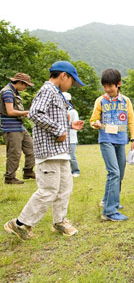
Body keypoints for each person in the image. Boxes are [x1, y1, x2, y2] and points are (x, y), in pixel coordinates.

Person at [3, 61, 85, 240]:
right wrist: (58, 129)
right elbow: (35, 113)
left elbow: (49, 117)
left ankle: (60, 222)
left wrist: (69, 125)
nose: (71, 85)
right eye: (72, 81)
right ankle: (20, 224)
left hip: (60, 151)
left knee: (65, 187)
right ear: (64, 76)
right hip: (49, 152)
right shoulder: (47, 89)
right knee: (48, 189)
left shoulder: (57, 93)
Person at [90, 69, 134, 221]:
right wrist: (96, 123)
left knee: (120, 173)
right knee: (114, 173)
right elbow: (93, 120)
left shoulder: (126, 101)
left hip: (121, 140)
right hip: (106, 140)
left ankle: (108, 200)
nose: (107, 89)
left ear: (118, 84)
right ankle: (109, 212)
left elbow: (131, 120)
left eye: (110, 86)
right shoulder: (101, 101)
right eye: (104, 86)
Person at [0, 73, 35, 184]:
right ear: (19, 83)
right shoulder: (8, 93)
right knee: (14, 153)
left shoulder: (14, 92)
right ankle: (10, 178)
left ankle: (28, 171)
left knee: (32, 148)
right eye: (25, 85)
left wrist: (23, 114)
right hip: (11, 128)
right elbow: (10, 111)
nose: (26, 88)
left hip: (19, 126)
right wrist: (27, 112)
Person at [62, 92, 81, 177]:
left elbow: (76, 123)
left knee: (71, 156)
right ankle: (67, 171)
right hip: (63, 136)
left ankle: (76, 171)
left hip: (72, 137)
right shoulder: (61, 110)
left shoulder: (73, 111)